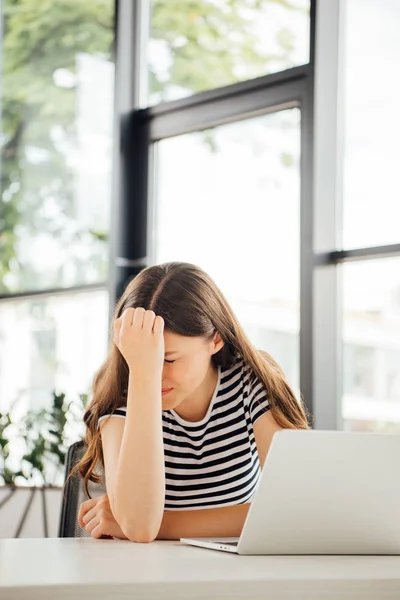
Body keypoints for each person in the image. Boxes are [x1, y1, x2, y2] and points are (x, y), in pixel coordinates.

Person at [76, 262, 311, 543]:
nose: (155, 374)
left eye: (169, 359)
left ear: (215, 340)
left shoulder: (250, 381)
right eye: (143, 358)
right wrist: (141, 376)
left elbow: (296, 508)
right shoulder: (123, 391)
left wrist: (155, 525)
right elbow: (139, 527)